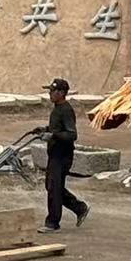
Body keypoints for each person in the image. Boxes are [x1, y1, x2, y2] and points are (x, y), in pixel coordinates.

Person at [39, 77, 89, 233]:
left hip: (62, 156)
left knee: (54, 187)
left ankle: (52, 223)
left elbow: (71, 134)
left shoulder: (66, 110)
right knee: (52, 186)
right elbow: (57, 128)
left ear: (61, 93)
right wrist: (45, 129)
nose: (49, 94)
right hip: (54, 154)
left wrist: (53, 136)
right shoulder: (56, 109)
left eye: (52, 91)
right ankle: (79, 208)